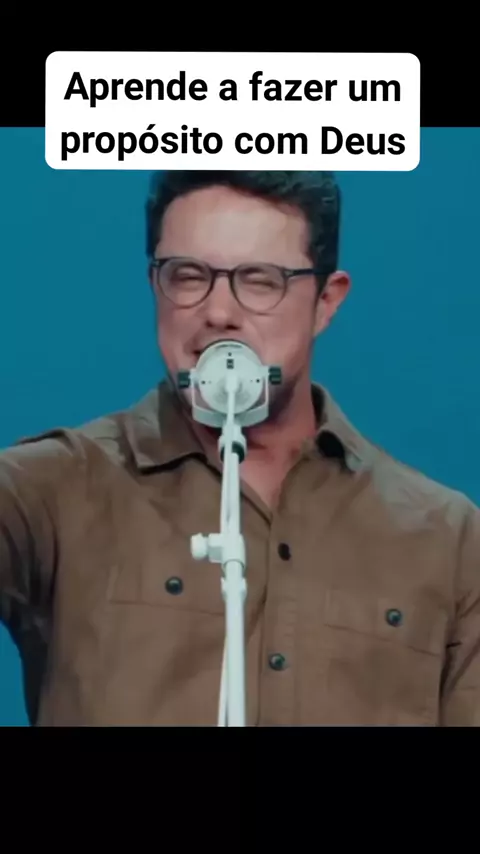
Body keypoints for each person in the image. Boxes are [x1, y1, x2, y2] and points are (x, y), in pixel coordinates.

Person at [1, 170, 479, 727]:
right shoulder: (51, 491)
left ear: (326, 301)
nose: (219, 313)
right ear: (156, 284)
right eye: (188, 276)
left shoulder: (448, 538)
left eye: (260, 280)